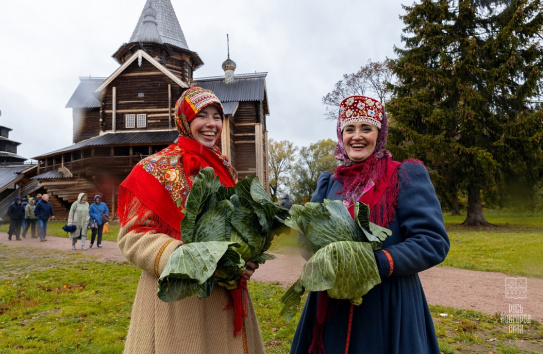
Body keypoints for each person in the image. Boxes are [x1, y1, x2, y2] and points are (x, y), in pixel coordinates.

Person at [290, 95, 450, 354]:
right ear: (341, 135)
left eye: (366, 128)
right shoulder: (330, 183)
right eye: (349, 129)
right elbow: (308, 241)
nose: (357, 136)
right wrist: (318, 256)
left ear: (380, 133)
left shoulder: (405, 175)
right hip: (332, 306)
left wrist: (375, 262)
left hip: (387, 304)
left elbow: (433, 242)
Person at [117, 87, 264, 354]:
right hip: (178, 300)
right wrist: (193, 260)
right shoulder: (154, 169)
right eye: (201, 116)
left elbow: (238, 229)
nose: (211, 124)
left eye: (217, 116)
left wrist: (244, 259)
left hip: (225, 296)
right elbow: (132, 237)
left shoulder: (226, 169)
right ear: (185, 120)